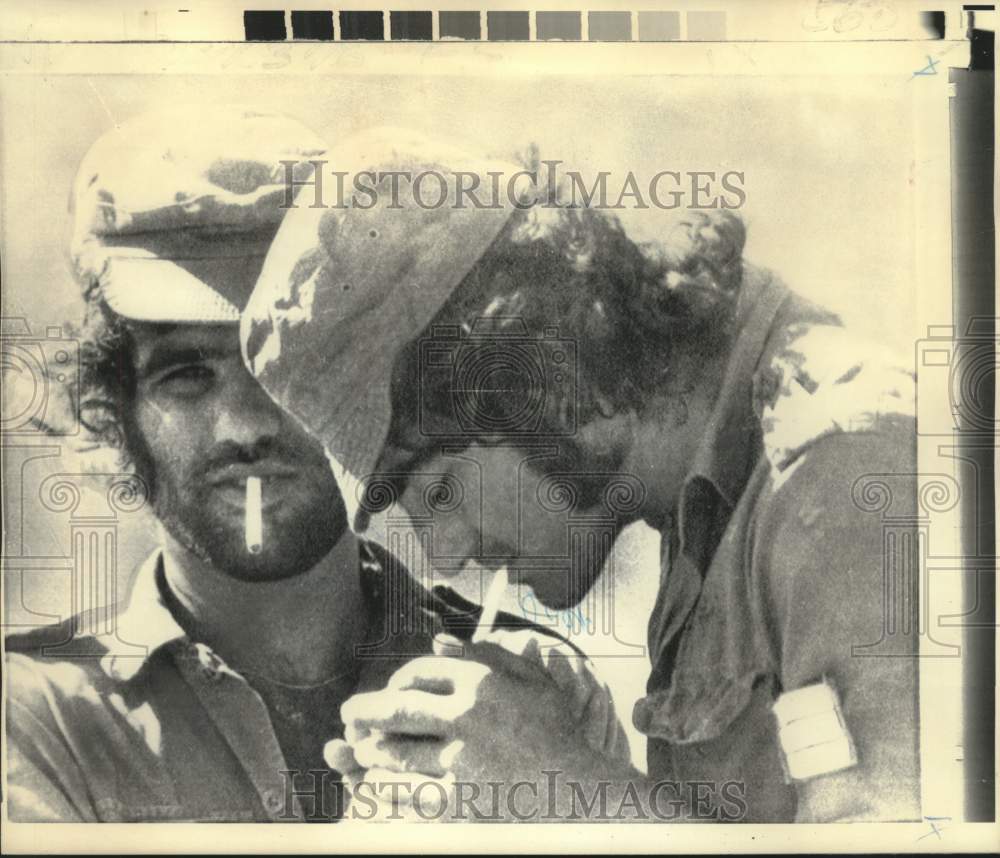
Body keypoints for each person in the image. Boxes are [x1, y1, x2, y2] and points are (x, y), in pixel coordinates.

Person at [242, 133, 921, 822]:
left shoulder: (843, 468)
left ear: (538, 367)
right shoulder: (698, 499)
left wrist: (565, 785)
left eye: (438, 491)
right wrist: (561, 747)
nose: (443, 558)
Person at [4, 111, 627, 823]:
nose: (244, 427)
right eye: (186, 376)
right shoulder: (35, 716)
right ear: (115, 411)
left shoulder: (528, 691)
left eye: (283, 373)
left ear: (378, 381)